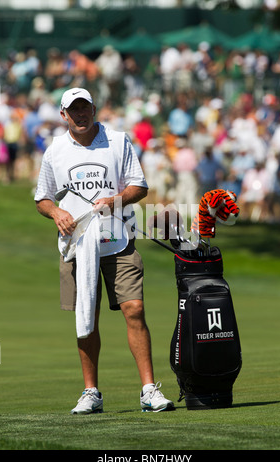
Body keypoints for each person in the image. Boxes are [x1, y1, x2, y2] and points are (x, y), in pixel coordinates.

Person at [34, 87, 174, 415]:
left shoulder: (117, 140)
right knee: (87, 317)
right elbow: (42, 197)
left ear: (94, 109)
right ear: (63, 115)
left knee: (135, 308)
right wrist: (56, 213)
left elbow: (139, 185)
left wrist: (115, 200)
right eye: (74, 110)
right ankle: (91, 392)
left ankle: (149, 389)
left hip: (117, 240)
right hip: (76, 246)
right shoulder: (55, 150)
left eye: (86, 109)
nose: (81, 115)